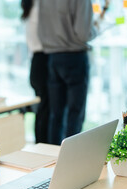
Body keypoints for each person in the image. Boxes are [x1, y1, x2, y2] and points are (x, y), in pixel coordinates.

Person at [38, 0, 98, 145]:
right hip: (74, 56)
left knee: (56, 114)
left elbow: (41, 30)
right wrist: (96, 29)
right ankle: (72, 160)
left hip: (53, 57)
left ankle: (54, 161)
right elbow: (83, 33)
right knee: (75, 114)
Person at [21, 0, 50, 143]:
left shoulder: (30, 7)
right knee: (46, 110)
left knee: (43, 109)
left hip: (36, 63)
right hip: (43, 61)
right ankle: (43, 145)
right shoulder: (40, 7)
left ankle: (41, 144)